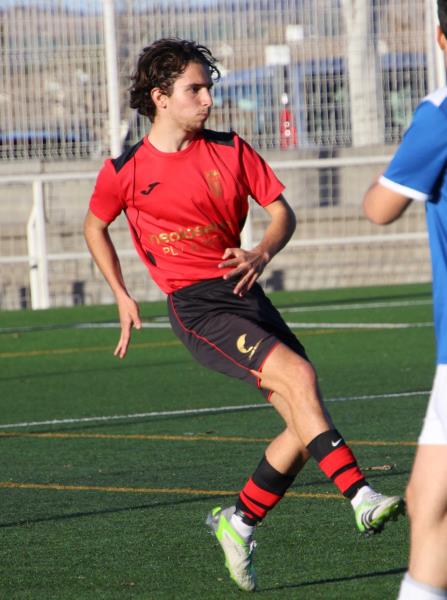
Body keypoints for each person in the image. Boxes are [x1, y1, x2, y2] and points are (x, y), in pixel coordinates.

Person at [84, 38, 404, 593]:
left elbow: (282, 213)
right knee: (300, 378)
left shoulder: (231, 150)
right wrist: (121, 293)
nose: (208, 99)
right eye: (195, 89)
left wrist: (261, 252)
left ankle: (239, 522)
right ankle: (361, 498)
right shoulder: (125, 170)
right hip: (197, 306)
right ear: (160, 97)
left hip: (246, 292)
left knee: (303, 423)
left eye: (209, 87)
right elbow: (95, 226)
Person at [363, 4, 447, 598]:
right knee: (426, 498)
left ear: (440, 37)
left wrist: (385, 175)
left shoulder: (440, 114)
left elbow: (381, 207)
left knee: (432, 504)